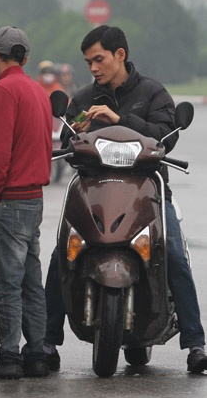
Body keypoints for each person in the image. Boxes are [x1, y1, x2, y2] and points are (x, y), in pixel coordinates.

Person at [43, 25, 207, 374]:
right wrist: (77, 132)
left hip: (147, 193)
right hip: (95, 194)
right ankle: (46, 342)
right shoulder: (83, 99)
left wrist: (120, 120)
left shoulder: (152, 93)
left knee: (173, 254)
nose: (93, 68)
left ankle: (195, 343)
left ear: (120, 55)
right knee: (62, 253)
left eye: (99, 60)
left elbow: (166, 137)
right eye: (88, 63)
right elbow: (67, 141)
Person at [0, 26, 53, 380]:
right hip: (34, 199)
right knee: (32, 283)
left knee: (6, 283)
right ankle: (37, 355)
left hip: (10, 200)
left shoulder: (2, 90)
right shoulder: (38, 91)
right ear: (25, 58)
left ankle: (8, 357)